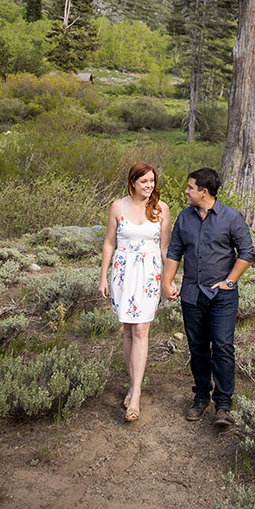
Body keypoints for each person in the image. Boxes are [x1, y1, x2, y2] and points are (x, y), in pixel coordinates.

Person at [162, 167, 253, 427]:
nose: (186, 192)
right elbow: (174, 251)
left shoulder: (231, 217)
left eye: (190, 188)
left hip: (221, 296)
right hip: (191, 294)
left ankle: (223, 404)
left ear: (204, 191)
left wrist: (230, 281)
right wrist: (168, 282)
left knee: (223, 347)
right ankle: (201, 397)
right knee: (198, 348)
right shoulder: (184, 218)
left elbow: (246, 251)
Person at [99, 162, 171, 422]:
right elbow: (109, 242)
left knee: (141, 329)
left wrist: (170, 281)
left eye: (152, 181)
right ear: (132, 183)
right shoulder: (117, 207)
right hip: (123, 272)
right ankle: (132, 383)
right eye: (144, 182)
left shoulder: (161, 209)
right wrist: (103, 277)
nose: (149, 185)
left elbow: (166, 249)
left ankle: (136, 395)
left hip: (150, 273)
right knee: (128, 329)